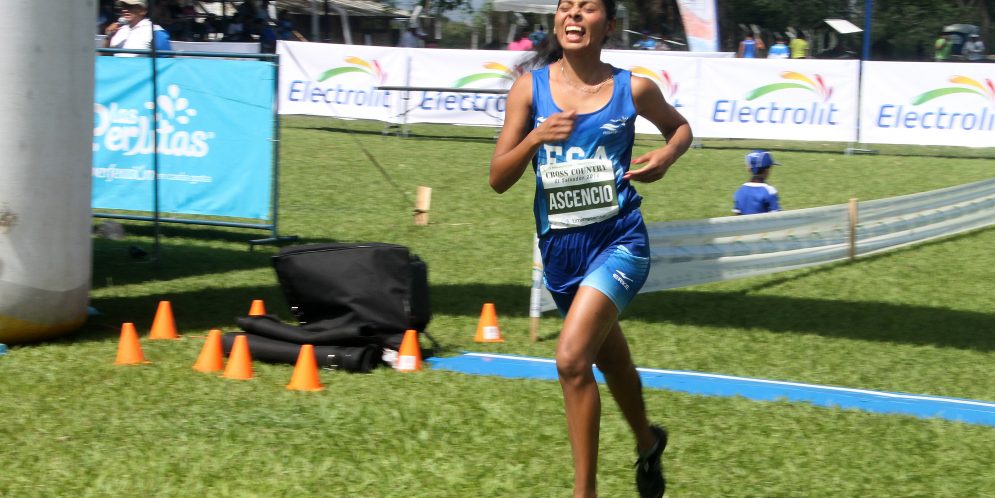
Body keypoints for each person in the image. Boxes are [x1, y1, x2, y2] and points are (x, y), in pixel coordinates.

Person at [488, 1, 692, 497]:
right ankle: (648, 442)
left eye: (587, 8)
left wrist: (666, 156)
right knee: (610, 361)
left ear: (610, 25)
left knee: (571, 359)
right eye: (566, 7)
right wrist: (536, 137)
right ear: (557, 20)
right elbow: (498, 178)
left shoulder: (633, 88)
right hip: (561, 251)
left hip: (619, 242)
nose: (574, 16)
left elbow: (680, 129)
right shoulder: (528, 89)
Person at [733, 150, 781, 215]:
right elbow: (777, 217)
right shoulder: (769, 191)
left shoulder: (740, 191)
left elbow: (737, 216)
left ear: (749, 169)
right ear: (766, 170)